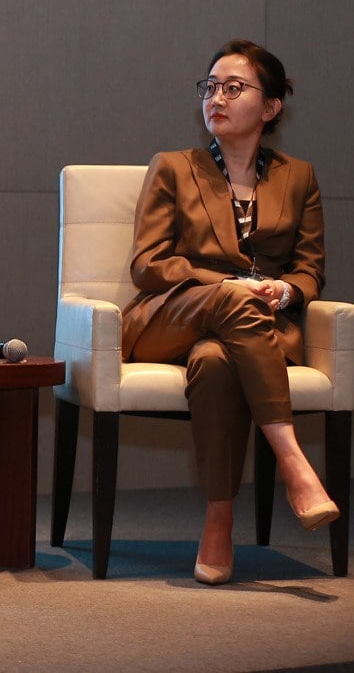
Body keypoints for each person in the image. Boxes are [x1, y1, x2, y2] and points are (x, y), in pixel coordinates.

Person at [123, 38, 338, 586]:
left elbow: (309, 270)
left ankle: (218, 522)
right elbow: (147, 265)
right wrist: (231, 286)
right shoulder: (174, 168)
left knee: (216, 362)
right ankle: (293, 462)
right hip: (169, 319)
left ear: (271, 107)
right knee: (235, 300)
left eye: (234, 88)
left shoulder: (299, 177)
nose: (216, 98)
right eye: (210, 87)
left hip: (252, 332)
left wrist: (283, 293)